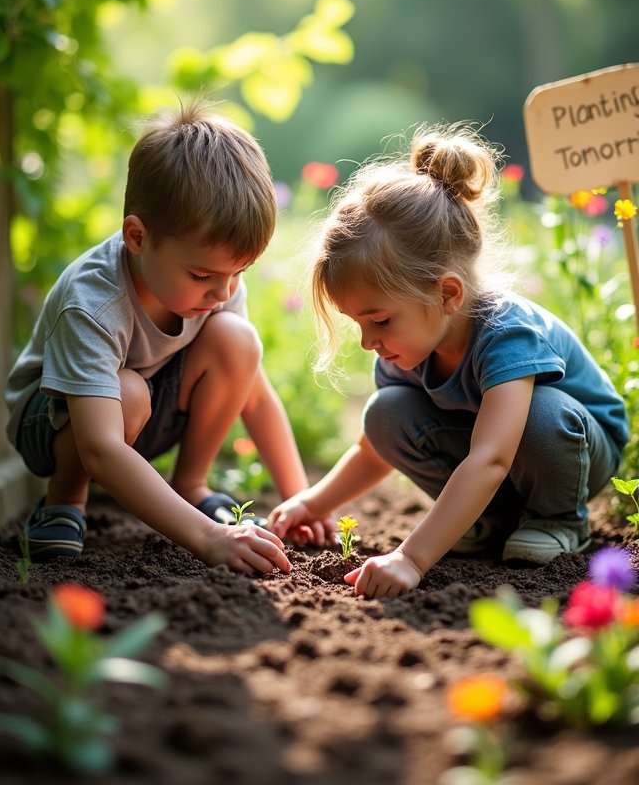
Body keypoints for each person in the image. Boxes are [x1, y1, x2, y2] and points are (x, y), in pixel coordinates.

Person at [269, 123, 629, 598]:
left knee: (542, 415)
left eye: (379, 320)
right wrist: (314, 502)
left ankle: (558, 518)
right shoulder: (408, 347)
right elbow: (373, 447)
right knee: (385, 413)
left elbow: (492, 456)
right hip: (498, 455)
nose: (367, 341)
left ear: (447, 293)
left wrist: (412, 557)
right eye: (358, 323)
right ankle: (487, 520)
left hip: (574, 448)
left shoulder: (507, 334)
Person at [6, 98, 321, 574]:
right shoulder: (92, 302)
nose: (223, 290)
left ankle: (190, 486)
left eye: (238, 273)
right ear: (137, 237)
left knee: (237, 339)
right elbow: (101, 448)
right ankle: (64, 502)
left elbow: (255, 396)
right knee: (128, 392)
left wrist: (303, 499)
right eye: (202, 276)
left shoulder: (215, 282)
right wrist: (210, 539)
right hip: (59, 425)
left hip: (149, 412)